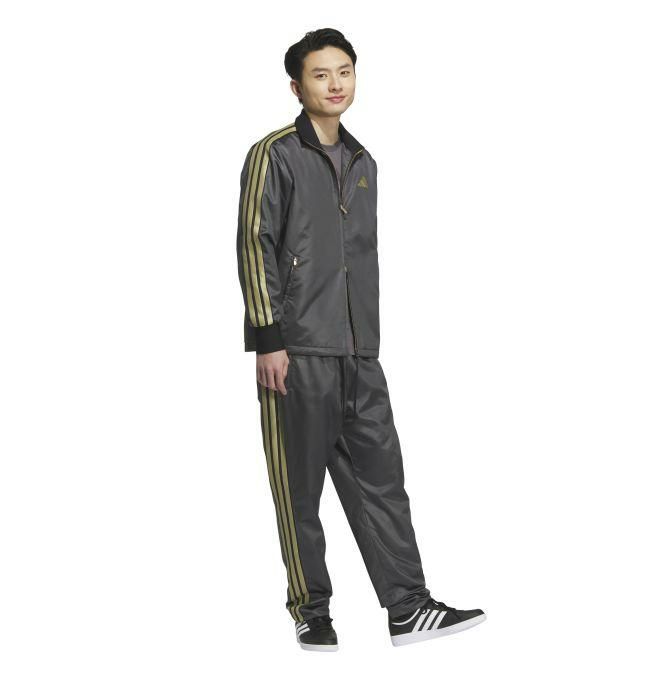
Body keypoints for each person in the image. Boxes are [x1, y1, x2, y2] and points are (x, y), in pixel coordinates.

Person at [236, 27, 486, 650]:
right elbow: (255, 243)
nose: (335, 84)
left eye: (344, 71)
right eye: (320, 74)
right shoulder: (275, 154)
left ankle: (407, 606)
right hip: (296, 350)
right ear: (297, 86)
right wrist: (268, 337)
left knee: (383, 481)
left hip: (359, 352)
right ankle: (311, 609)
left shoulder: (364, 162)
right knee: (299, 490)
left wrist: (365, 342)